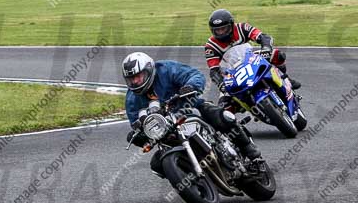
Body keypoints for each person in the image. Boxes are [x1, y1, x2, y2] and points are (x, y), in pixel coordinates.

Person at [122, 52, 261, 167]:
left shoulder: (166, 69)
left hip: (191, 108)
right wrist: (138, 133)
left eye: (138, 77)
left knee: (223, 116)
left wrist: (190, 86)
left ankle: (250, 150)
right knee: (157, 165)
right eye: (131, 79)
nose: (135, 82)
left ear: (149, 70)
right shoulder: (131, 99)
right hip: (167, 130)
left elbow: (194, 75)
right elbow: (137, 124)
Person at [205, 9, 301, 92]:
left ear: (231, 25)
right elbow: (214, 71)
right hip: (233, 73)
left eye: (224, 29)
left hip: (251, 60)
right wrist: (221, 84)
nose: (221, 32)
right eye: (218, 30)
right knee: (225, 104)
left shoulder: (241, 28)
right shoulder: (211, 46)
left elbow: (264, 37)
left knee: (277, 54)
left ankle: (285, 78)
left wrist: (266, 49)